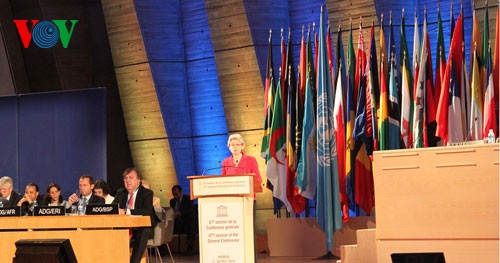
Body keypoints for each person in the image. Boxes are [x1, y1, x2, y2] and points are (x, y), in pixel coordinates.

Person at [112, 167, 158, 263]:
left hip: (143, 228)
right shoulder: (120, 193)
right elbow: (113, 208)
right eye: (125, 178)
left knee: (143, 232)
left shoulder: (146, 193)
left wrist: (126, 211)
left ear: (138, 180)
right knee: (112, 231)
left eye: (131, 178)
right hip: (124, 226)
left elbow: (147, 211)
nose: (127, 181)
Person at [170, 184, 196, 255]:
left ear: (181, 192)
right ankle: (163, 248)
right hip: (176, 221)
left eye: (176, 194)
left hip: (186, 220)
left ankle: (189, 248)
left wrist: (180, 213)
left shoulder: (188, 199)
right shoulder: (172, 201)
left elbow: (191, 211)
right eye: (173, 194)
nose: (175, 196)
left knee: (191, 224)